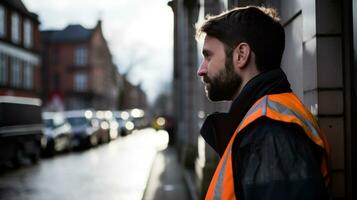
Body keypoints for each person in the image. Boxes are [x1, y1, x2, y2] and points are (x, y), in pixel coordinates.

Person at [196, 6, 330, 200]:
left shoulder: (271, 132)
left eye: (208, 56)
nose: (201, 70)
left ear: (241, 55)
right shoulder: (263, 121)